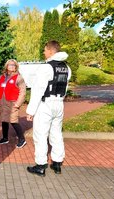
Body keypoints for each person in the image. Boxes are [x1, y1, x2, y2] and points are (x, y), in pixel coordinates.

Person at [26, 40, 71, 176]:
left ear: (51, 51)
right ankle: (57, 163)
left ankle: (40, 165)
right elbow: (65, 87)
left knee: (40, 135)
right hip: (59, 103)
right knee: (56, 133)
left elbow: (38, 90)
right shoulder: (66, 68)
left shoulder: (46, 67)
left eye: (45, 50)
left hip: (45, 105)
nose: (44, 52)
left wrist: (30, 111)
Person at [0, 59, 27, 148]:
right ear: (6, 66)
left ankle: (22, 139)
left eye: (13, 65)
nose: (11, 66)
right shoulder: (1, 77)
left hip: (12, 104)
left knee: (13, 121)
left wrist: (17, 104)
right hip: (1, 103)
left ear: (16, 67)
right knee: (4, 120)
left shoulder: (19, 78)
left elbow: (22, 92)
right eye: (9, 65)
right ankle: (5, 138)